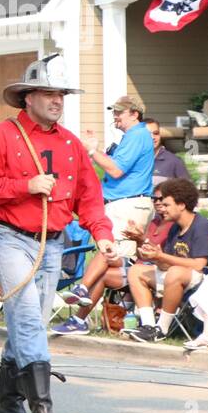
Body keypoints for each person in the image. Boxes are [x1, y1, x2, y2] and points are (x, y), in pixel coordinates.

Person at [0, 54, 116, 413]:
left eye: (61, 94)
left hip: (53, 244)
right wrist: (24, 186)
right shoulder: (1, 135)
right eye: (49, 93)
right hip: (11, 237)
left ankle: (9, 408)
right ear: (27, 97)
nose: (57, 100)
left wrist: (101, 233)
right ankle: (43, 412)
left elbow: (89, 196)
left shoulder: (71, 144)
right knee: (29, 316)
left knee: (28, 321)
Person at [51, 186, 174, 335]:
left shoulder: (175, 226)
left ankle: (79, 320)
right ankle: (82, 290)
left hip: (154, 271)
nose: (158, 202)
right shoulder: (155, 221)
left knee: (103, 275)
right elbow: (142, 255)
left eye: (163, 200)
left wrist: (143, 239)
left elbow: (164, 258)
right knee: (105, 253)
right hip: (140, 264)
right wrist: (138, 240)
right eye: (155, 198)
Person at [125, 177, 208, 342]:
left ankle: (162, 329)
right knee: (136, 270)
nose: (162, 209)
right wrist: (149, 250)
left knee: (175, 272)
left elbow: (198, 264)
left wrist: (161, 256)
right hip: (182, 278)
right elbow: (167, 263)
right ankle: (148, 326)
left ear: (181, 205)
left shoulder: (202, 226)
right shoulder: (176, 228)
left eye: (166, 205)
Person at [79, 94, 154, 266]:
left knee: (118, 262)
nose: (115, 115)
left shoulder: (137, 135)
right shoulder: (134, 135)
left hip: (127, 205)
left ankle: (87, 291)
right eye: (114, 112)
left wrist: (92, 151)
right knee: (118, 261)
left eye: (120, 112)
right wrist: (96, 150)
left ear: (135, 114)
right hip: (127, 204)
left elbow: (115, 170)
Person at [144, 118, 190, 185]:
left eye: (156, 133)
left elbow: (187, 191)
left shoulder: (174, 161)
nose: (152, 137)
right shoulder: (132, 160)